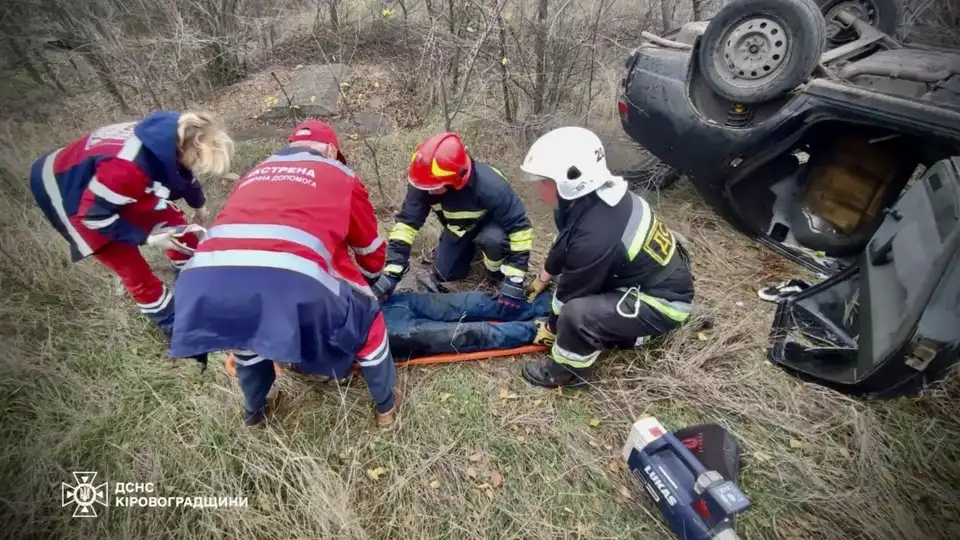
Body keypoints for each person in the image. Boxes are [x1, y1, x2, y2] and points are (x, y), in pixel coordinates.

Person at [168, 120, 402, 428]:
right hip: (290, 280)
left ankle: (255, 414)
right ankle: (386, 407)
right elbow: (369, 248)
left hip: (204, 280)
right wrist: (375, 283)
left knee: (244, 337)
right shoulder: (341, 175)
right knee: (369, 323)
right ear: (332, 150)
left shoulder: (254, 172)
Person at [29, 111, 234, 338]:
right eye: (199, 160)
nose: (197, 166)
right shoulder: (126, 168)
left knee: (175, 225)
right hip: (68, 192)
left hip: (107, 182)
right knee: (132, 268)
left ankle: (190, 282)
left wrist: (199, 205)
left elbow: (184, 174)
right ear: (188, 148)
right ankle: (177, 327)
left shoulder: (174, 135)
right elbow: (93, 216)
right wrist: (149, 238)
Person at [519, 126, 695, 388]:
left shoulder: (596, 235)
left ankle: (567, 373)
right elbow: (564, 244)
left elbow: (570, 294)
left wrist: (553, 328)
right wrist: (544, 277)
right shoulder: (588, 200)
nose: (539, 188)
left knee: (576, 314)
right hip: (640, 276)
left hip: (663, 302)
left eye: (544, 181)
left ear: (570, 181)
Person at [372, 132, 534, 313]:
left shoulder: (490, 185)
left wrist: (515, 277)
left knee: (492, 241)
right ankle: (468, 251)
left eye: (434, 187)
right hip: (459, 228)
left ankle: (494, 274)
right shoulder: (424, 181)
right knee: (444, 273)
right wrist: (394, 268)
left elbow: (520, 228)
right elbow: (406, 225)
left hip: (492, 226)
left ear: (457, 179)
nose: (429, 192)